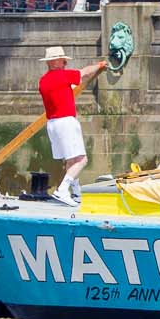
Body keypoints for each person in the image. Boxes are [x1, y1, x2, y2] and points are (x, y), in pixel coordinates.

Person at [39, 44, 107, 206]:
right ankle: (62, 190)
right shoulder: (63, 76)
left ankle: (76, 194)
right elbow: (84, 72)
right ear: (54, 62)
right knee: (82, 160)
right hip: (66, 122)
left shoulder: (43, 81)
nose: (65, 64)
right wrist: (100, 65)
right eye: (63, 61)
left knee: (71, 160)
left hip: (52, 124)